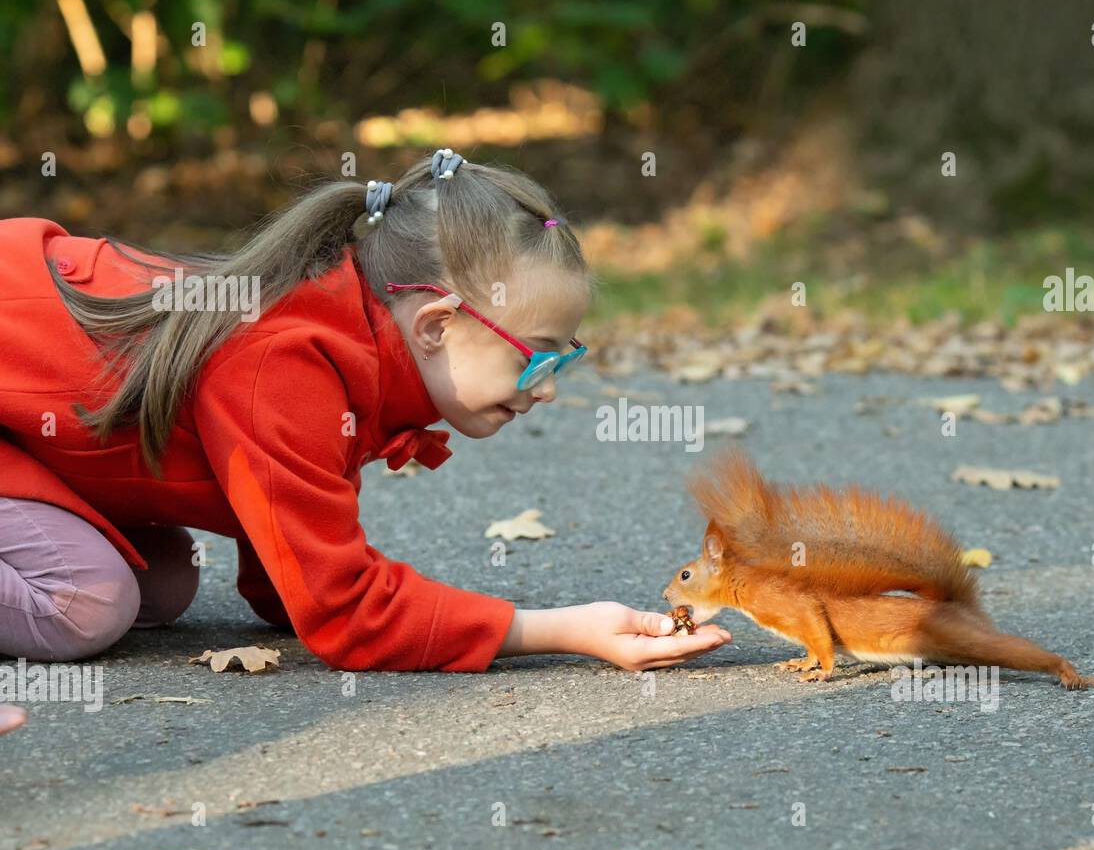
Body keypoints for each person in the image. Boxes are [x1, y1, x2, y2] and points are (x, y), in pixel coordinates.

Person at [0, 148, 729, 720]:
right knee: (85, 601)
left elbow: (287, 578)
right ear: (437, 324)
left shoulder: (345, 341)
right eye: (536, 355)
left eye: (566, 357)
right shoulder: (284, 365)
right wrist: (561, 629)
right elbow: (341, 613)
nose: (546, 387)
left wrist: (317, 587)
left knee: (163, 584)